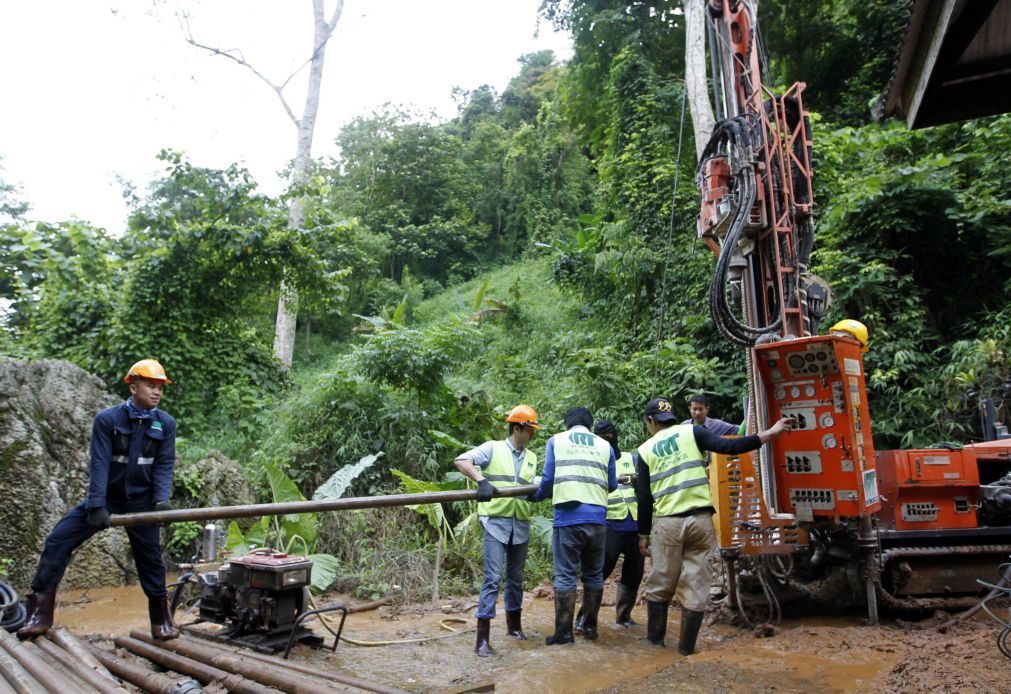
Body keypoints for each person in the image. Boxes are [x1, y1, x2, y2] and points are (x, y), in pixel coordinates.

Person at [17, 359, 179, 641]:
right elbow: (100, 463)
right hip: (108, 499)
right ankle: (40, 614)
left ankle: (161, 621)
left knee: (150, 558)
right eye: (151, 386)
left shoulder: (165, 424)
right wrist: (96, 504)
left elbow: (163, 465)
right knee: (58, 540)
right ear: (133, 386)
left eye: (160, 388)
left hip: (141, 501)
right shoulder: (108, 420)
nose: (156, 393)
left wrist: (160, 501)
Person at [637, 397, 795, 655]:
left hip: (667, 524)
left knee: (661, 581)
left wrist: (643, 534)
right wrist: (772, 432)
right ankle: (686, 651)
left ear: (651, 421)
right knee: (696, 584)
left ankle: (655, 644)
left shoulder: (644, 450)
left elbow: (643, 498)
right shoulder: (694, 432)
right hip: (700, 520)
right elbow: (730, 447)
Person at [454, 404, 540, 657]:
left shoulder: (532, 458)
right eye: (530, 430)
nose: (533, 434)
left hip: (520, 524)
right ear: (517, 428)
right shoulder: (493, 448)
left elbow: (531, 486)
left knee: (516, 579)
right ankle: (482, 639)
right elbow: (462, 460)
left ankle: (514, 627)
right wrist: (481, 481)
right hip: (495, 522)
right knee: (492, 578)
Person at [530, 407, 617, 644]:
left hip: (568, 518)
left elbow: (547, 479)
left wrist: (536, 497)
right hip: (598, 518)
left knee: (566, 575)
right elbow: (612, 485)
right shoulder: (604, 446)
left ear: (566, 423)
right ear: (590, 425)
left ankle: (564, 634)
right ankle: (589, 628)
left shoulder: (556, 440)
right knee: (594, 574)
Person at [574, 419, 644, 631]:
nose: (609, 440)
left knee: (635, 573)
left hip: (635, 525)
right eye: (603, 437)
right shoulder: (595, 461)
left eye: (611, 436)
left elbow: (644, 490)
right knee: (600, 571)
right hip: (610, 524)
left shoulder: (632, 459)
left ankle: (624, 617)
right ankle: (584, 616)